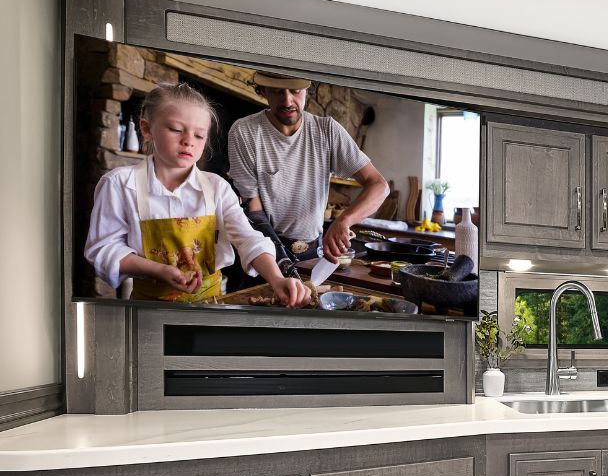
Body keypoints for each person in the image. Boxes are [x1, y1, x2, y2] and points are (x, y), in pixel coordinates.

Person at [84, 82, 311, 306]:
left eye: (199, 135)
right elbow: (104, 249)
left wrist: (277, 278)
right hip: (149, 307)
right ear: (146, 129)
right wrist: (160, 270)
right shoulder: (120, 184)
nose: (188, 141)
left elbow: (248, 238)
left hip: (210, 305)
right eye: (175, 129)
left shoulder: (217, 187)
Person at [227, 71, 389, 265]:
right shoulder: (245, 132)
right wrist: (282, 263)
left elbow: (379, 186)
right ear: (263, 91)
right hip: (266, 255)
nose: (287, 101)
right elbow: (254, 209)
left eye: (295, 91)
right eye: (277, 92)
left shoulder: (327, 130)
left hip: (314, 253)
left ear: (306, 89)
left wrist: (344, 220)